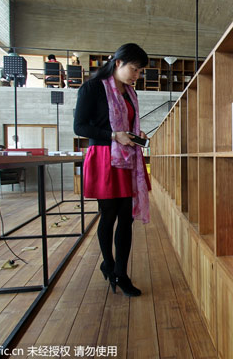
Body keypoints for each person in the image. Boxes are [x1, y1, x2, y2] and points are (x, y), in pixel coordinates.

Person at [73, 43, 151, 297]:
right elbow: (81, 127)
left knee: (126, 217)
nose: (136, 75)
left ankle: (120, 272)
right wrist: (113, 135)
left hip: (127, 157)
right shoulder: (92, 88)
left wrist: (134, 134)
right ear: (118, 63)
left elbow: (127, 124)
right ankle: (108, 264)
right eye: (134, 69)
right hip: (104, 156)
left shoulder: (130, 93)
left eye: (139, 72)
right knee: (108, 215)